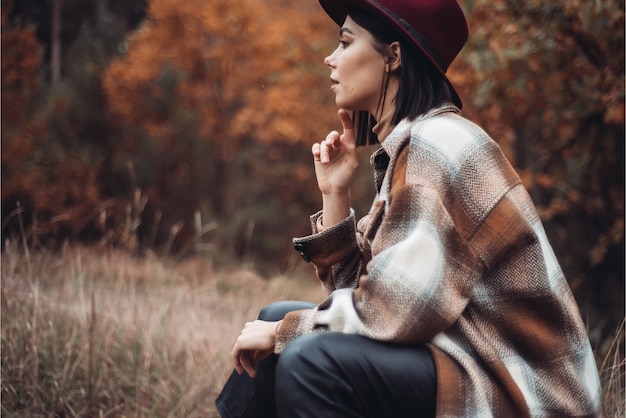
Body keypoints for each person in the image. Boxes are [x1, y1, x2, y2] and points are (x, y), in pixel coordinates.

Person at [216, 0, 603, 417]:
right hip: (467, 362)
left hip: (525, 393)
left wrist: (281, 333)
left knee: (309, 358)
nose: (330, 58)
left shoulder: (438, 143)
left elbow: (393, 311)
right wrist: (334, 193)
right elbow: (359, 300)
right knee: (283, 321)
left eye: (345, 43)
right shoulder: (409, 148)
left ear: (393, 56)